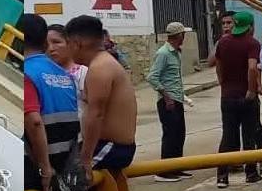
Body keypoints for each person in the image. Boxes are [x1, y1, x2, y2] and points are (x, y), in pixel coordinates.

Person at [19, 12, 79, 191]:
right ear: (44, 40)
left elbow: (33, 121)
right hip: (59, 163)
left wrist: (44, 168)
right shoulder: (64, 76)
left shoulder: (28, 74)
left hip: (35, 166)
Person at [46, 24, 96, 191]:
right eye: (48, 43)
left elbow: (94, 106)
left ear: (70, 44)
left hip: (78, 143)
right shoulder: (48, 73)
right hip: (58, 145)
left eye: (57, 42)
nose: (51, 48)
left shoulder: (84, 73)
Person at [67, 15, 138, 182]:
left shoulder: (100, 68)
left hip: (112, 146)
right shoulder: (102, 64)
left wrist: (85, 158)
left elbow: (96, 114)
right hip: (109, 145)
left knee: (68, 180)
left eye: (68, 44)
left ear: (77, 44)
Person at [212, 10, 262, 186]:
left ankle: (222, 176)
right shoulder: (252, 43)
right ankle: (251, 173)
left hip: (227, 96)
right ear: (250, 26)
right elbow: (252, 67)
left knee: (228, 136)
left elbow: (217, 65)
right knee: (248, 136)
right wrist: (251, 89)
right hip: (246, 96)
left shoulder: (223, 43)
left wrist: (222, 82)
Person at [146, 21, 193, 180]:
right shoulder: (163, 53)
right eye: (183, 35)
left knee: (179, 134)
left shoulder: (176, 53)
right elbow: (152, 77)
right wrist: (166, 97)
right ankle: (164, 171)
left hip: (177, 99)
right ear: (179, 35)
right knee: (170, 135)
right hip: (168, 101)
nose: (184, 37)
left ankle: (176, 167)